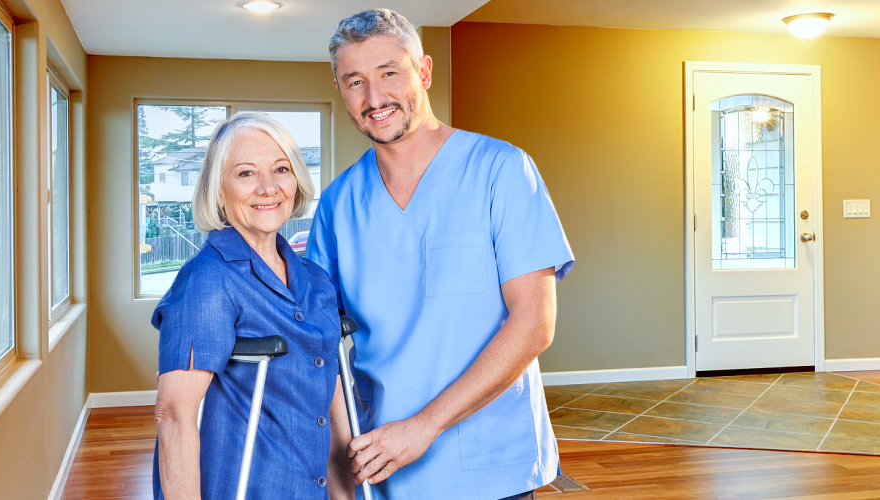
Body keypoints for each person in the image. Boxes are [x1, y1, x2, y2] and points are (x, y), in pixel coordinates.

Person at [307, 8, 575, 500]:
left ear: (424, 71)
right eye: (355, 81)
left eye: (389, 73)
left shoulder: (502, 171)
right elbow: (320, 348)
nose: (374, 97)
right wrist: (340, 465)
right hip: (382, 468)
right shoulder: (338, 203)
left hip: (492, 465)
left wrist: (423, 427)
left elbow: (534, 324)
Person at [152, 112, 356, 500]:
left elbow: (332, 403)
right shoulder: (208, 280)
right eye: (246, 173)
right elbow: (175, 414)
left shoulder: (314, 280)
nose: (268, 187)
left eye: (281, 169)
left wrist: (346, 494)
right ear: (219, 189)